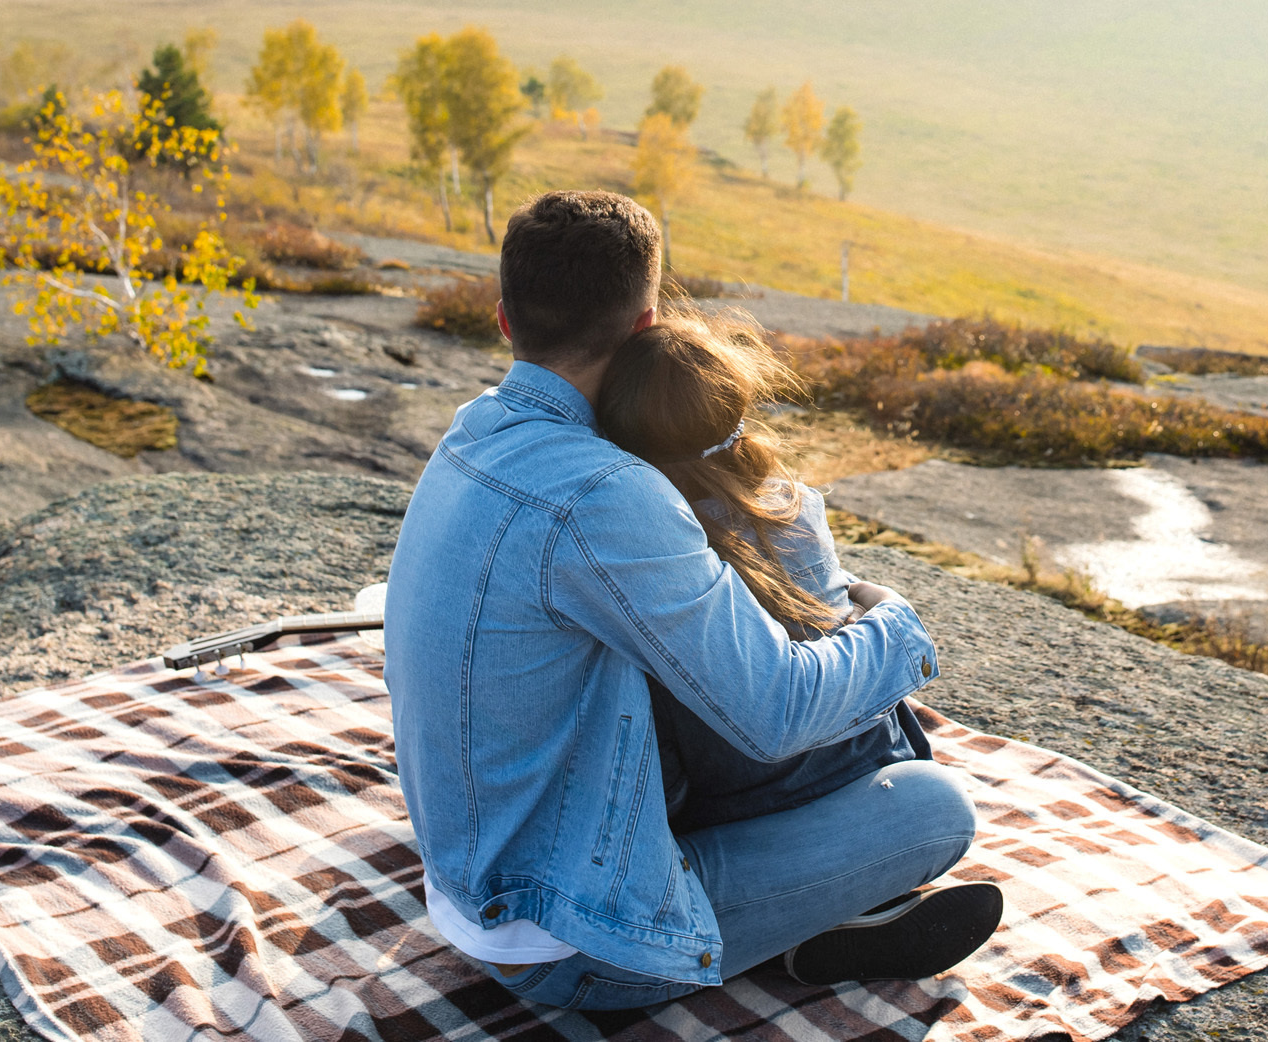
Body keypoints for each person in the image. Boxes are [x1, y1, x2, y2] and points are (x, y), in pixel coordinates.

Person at [385, 191, 999, 1011]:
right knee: (934, 811)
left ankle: (807, 917)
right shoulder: (606, 494)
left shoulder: (472, 433)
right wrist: (896, 629)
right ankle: (804, 930)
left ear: (503, 320)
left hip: (470, 882)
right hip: (572, 943)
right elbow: (774, 713)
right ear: (646, 330)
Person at [594, 314, 933, 837]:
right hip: (869, 759)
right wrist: (874, 601)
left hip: (732, 804)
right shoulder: (796, 504)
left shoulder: (651, 538)